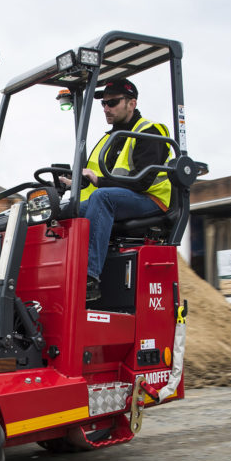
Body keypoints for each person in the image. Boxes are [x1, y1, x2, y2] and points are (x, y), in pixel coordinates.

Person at [66, 79, 172, 302]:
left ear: (131, 103)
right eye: (104, 104)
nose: (106, 108)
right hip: (120, 198)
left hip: (151, 200)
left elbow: (142, 182)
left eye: (112, 102)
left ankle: (90, 278)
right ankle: (61, 273)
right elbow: (100, 177)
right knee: (67, 210)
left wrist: (99, 181)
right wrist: (75, 181)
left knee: (103, 197)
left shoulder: (149, 132)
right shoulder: (112, 138)